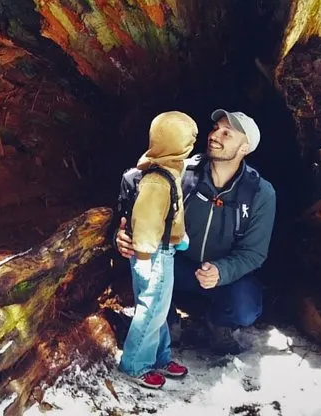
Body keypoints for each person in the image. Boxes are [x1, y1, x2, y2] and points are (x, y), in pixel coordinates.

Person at [115, 109, 277, 355]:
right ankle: (166, 323)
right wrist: (124, 236)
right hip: (175, 266)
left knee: (246, 306)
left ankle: (219, 324)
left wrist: (221, 271)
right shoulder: (181, 172)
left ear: (245, 148)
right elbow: (141, 208)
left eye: (227, 133)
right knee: (143, 261)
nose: (215, 136)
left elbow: (254, 253)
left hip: (221, 275)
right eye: (215, 129)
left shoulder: (259, 193)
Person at [117, 111, 198, 389]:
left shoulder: (171, 173)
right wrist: (145, 254)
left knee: (159, 310)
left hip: (164, 250)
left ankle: (159, 357)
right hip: (153, 255)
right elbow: (148, 220)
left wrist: (179, 237)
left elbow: (171, 214)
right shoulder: (156, 180)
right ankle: (135, 364)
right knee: (150, 309)